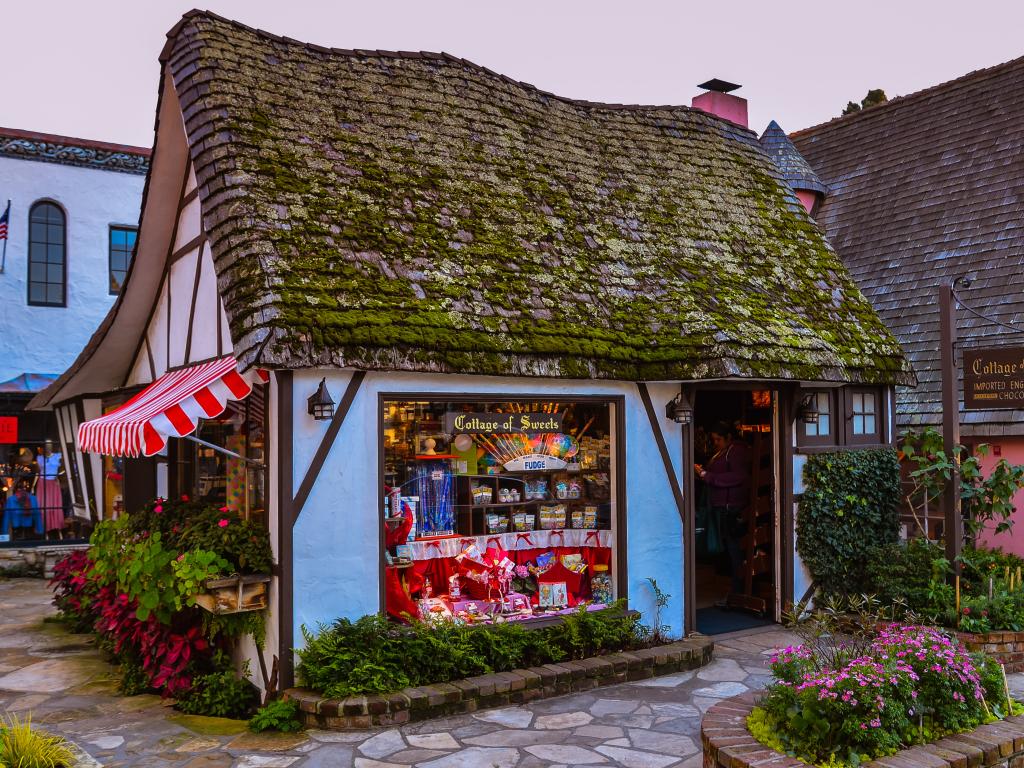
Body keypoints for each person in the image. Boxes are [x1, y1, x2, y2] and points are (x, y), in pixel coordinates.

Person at [694, 422, 751, 595]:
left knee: (733, 549)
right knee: (727, 549)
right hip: (721, 506)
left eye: (718, 439)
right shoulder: (723, 451)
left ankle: (738, 590)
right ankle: (732, 588)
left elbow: (738, 476)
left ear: (728, 437)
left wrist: (706, 475)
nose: (715, 443)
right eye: (714, 440)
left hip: (730, 507)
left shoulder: (736, 451)